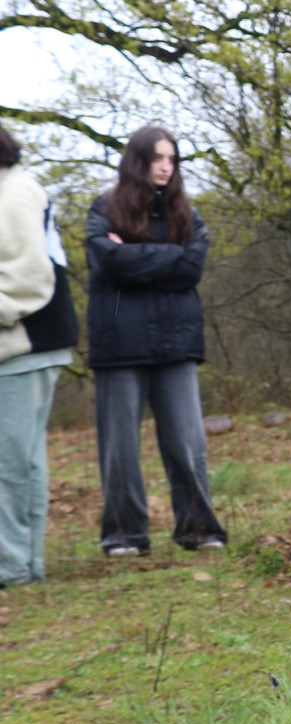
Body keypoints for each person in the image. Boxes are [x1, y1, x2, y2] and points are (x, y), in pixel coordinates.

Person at [86, 126, 225, 555]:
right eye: (157, 158)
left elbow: (192, 269)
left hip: (176, 342)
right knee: (120, 449)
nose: (165, 167)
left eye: (172, 159)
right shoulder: (104, 208)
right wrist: (170, 256)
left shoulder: (189, 213)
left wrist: (134, 254)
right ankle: (124, 536)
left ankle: (198, 530)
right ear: (138, 161)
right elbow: (108, 262)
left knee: (187, 442)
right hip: (118, 343)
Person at [0, 125, 77, 588]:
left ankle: (14, 566)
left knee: (11, 463)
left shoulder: (14, 193)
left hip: (26, 345)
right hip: (19, 348)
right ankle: (22, 564)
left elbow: (30, 279)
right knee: (20, 459)